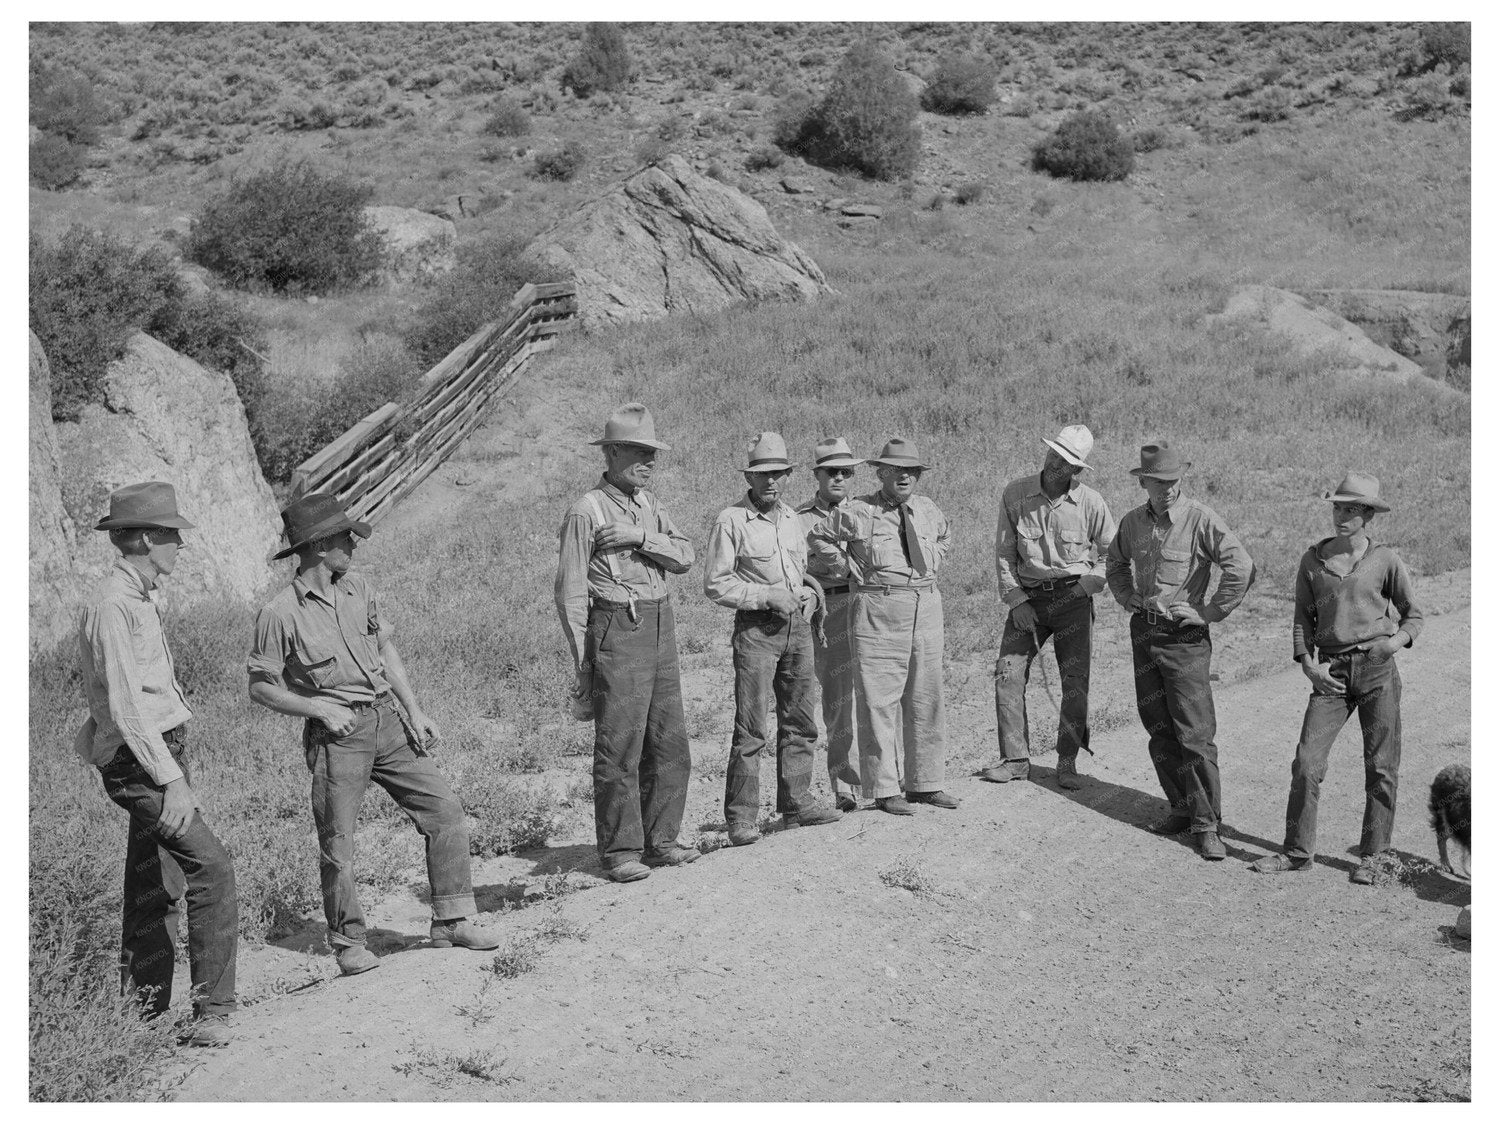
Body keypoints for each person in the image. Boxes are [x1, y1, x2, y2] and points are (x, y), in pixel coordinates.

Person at [248, 493, 498, 975]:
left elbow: (385, 651)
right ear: (319, 546)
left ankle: (452, 920)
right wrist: (318, 707)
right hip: (338, 736)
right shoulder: (279, 614)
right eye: (345, 538)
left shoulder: (358, 587)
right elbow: (260, 686)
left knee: (444, 810)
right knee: (338, 842)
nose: (354, 545)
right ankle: (349, 944)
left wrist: (415, 710)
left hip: (388, 721)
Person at [76, 481, 238, 1046]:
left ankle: (139, 1016)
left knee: (155, 882)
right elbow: (125, 707)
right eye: (172, 534)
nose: (179, 545)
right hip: (142, 762)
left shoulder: (137, 597)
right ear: (146, 538)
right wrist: (172, 781)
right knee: (212, 869)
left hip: (156, 753)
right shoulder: (113, 605)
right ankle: (212, 1012)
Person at [1251, 472, 1423, 884]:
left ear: (1369, 516)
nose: (1342, 516)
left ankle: (1374, 858)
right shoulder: (1312, 561)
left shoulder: (1385, 560)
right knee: (1306, 763)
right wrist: (1307, 664)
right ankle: (1297, 853)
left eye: (1351, 510)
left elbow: (1413, 616)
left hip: (1378, 670)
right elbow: (1302, 618)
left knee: (1381, 766)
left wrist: (1392, 644)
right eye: (1338, 508)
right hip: (1330, 675)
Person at [554, 403, 700, 882]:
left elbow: (685, 556)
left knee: (669, 739)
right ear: (613, 451)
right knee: (620, 744)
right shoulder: (586, 511)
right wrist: (584, 664)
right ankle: (620, 852)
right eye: (639, 451)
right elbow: (571, 595)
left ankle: (662, 841)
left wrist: (640, 537)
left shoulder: (650, 507)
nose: (649, 461)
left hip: (660, 624)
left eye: (652, 452)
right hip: (617, 627)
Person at [1105, 440, 1255, 861]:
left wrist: (1209, 612)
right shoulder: (1132, 523)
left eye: (1173, 480)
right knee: (1159, 728)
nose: (1168, 488)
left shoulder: (1200, 519)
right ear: (1144, 483)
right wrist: (1126, 596)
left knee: (1195, 735)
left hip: (1184, 640)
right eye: (1159, 481)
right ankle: (1181, 809)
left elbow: (1242, 566)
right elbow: (1114, 563)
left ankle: (1207, 826)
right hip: (1144, 635)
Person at [809, 437, 960, 816]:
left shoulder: (928, 509)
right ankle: (884, 789)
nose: (905, 476)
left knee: (926, 697)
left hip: (926, 608)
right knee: (878, 701)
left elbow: (945, 536)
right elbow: (818, 536)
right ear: (881, 473)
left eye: (912, 471)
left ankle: (926, 783)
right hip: (878, 609)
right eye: (896, 470)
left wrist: (934, 559)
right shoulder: (860, 510)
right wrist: (845, 567)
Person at [705, 432, 842, 846]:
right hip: (757, 630)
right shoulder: (731, 520)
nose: (771, 481)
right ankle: (741, 819)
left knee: (800, 721)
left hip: (797, 628)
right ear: (749, 476)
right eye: (763, 474)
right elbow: (716, 584)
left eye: (778, 473)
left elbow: (800, 571)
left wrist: (808, 592)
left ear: (787, 475)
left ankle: (797, 804)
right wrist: (766, 596)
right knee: (751, 728)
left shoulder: (790, 518)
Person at [981, 425, 1116, 791]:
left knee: (1075, 681)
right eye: (1054, 455)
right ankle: (1015, 760)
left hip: (1074, 600)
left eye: (1066, 461)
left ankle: (1067, 761)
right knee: (1008, 674)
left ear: (1078, 469)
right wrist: (1017, 600)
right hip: (1028, 600)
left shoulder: (1091, 502)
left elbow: (1112, 555)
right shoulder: (1016, 493)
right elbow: (1004, 554)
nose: (1056, 464)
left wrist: (1085, 587)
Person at [797, 437, 866, 812]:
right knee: (839, 698)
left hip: (870, 604)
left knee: (880, 694)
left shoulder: (868, 511)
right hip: (830, 607)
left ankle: (885, 777)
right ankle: (845, 784)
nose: (839, 477)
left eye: (846, 471)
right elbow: (793, 571)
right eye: (831, 471)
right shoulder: (799, 519)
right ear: (817, 475)